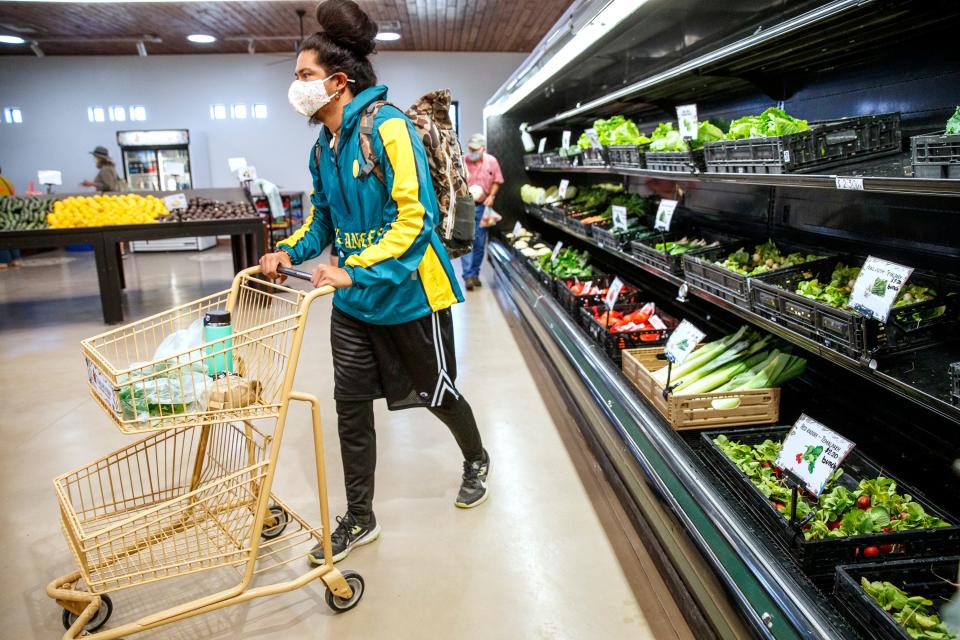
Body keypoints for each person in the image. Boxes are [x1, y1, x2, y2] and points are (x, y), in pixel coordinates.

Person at [259, 0, 489, 566]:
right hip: (356, 302)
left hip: (411, 293)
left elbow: (415, 219)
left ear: (337, 82)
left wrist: (353, 270)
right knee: (350, 405)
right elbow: (324, 220)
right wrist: (289, 248)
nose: (297, 87)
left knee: (436, 392)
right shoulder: (325, 147)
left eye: (304, 77)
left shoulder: (389, 128)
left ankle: (476, 458)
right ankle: (360, 517)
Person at [460, 133, 503, 291]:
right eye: (470, 148)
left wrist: (491, 196)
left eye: (475, 149)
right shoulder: (463, 161)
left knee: (479, 242)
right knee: (465, 241)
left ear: (482, 148)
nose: (472, 151)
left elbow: (497, 180)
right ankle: (467, 276)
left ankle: (475, 274)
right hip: (465, 205)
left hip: (483, 206)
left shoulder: (491, 161)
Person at [0, 166, 21, 269]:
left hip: (1, 214)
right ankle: (16, 259)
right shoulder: (6, 181)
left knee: (1, 237)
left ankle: (3, 261)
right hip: (10, 214)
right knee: (12, 236)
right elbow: (13, 195)